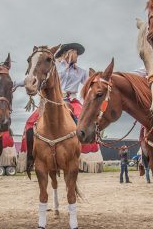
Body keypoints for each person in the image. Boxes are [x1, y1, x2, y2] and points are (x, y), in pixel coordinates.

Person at [19, 43, 98, 175]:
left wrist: (96, 79)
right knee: (30, 122)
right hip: (54, 100)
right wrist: (18, 83)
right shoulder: (55, 67)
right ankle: (31, 157)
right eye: (75, 52)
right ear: (67, 53)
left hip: (72, 100)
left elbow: (89, 84)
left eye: (78, 54)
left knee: (83, 120)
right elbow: (39, 76)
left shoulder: (81, 71)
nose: (77, 56)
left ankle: (81, 155)